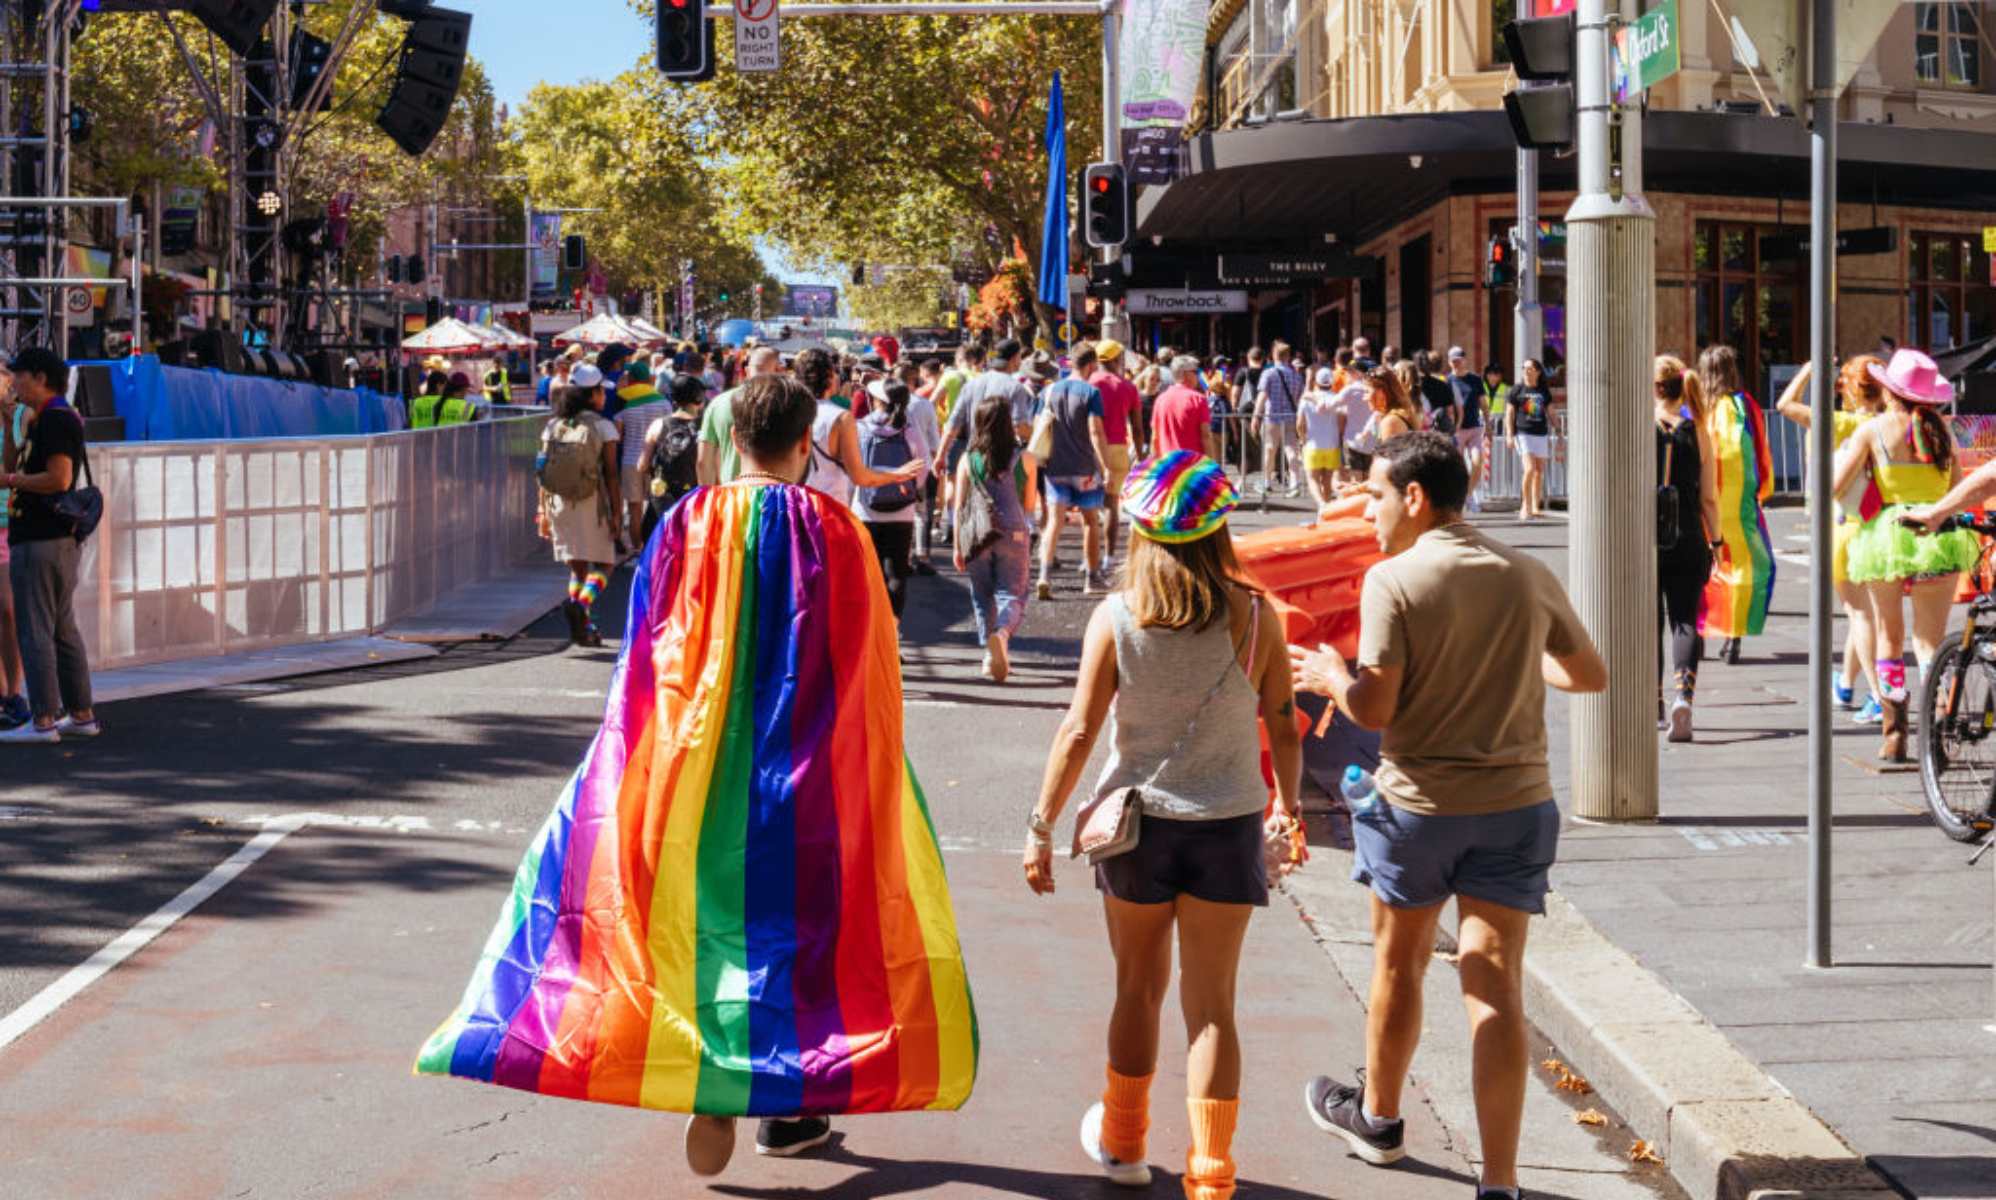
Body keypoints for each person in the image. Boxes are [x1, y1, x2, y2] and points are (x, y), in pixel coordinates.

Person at [418, 369, 977, 1176]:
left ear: (733, 438)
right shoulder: (835, 526)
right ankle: (788, 1105)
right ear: (802, 443)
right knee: (802, 924)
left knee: (699, 914)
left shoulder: (688, 518)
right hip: (806, 759)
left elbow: (648, 645)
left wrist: (637, 745)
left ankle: (712, 1079)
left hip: (695, 754)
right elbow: (869, 656)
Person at [1288, 431, 1606, 1200]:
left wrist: (1332, 676)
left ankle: (1381, 1121)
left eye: (1375, 494)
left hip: (1419, 808)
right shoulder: (1524, 572)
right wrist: (1508, 657)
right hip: (1517, 806)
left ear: (1416, 498)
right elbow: (1588, 674)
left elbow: (1376, 705)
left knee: (1398, 964)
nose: (1367, 510)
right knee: (1495, 985)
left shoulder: (1393, 579)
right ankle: (1499, 1181)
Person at [1024, 451, 1302, 1199]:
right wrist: (1290, 806)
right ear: (1219, 531)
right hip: (1228, 822)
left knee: (1136, 989)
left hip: (1136, 829)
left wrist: (1041, 824)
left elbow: (1080, 730)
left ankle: (1123, 1143)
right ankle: (1212, 1178)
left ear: (1141, 532)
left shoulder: (1117, 618)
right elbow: (1283, 721)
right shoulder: (1255, 616)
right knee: (1213, 1008)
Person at [1833, 348, 1979, 761]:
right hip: (1938, 535)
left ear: (1891, 391)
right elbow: (1955, 490)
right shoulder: (1943, 433)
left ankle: (1894, 732)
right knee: (1930, 641)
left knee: (1890, 636)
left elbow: (1836, 486)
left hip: (1888, 535)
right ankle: (1937, 730)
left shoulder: (1873, 430)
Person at [1776, 356, 1887, 723]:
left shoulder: (1841, 423)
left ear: (1851, 389)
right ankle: (1846, 684)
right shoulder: (1888, 424)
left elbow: (1784, 405)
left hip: (1844, 525)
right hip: (1880, 525)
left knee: (1860, 615)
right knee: (1864, 613)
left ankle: (1878, 695)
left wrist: (1808, 369)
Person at [0, 347, 99, 744]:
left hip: (40, 537)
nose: (14, 383)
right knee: (61, 628)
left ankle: (42, 719)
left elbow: (59, 479)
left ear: (39, 377)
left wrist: (11, 483)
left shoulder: (56, 419)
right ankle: (80, 713)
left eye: (18, 376)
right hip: (54, 539)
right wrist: (9, 424)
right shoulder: (48, 418)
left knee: (35, 629)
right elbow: (14, 461)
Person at [1653, 356, 1720, 743]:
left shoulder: (1638, 426)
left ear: (1655, 387)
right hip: (1689, 535)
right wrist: (1717, 540)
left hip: (1646, 538)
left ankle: (1655, 704)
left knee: (1649, 626)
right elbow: (1709, 497)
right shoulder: (1700, 431)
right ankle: (1684, 697)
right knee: (1684, 620)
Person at [1695, 345, 1774, 665]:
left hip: (1701, 500)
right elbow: (1761, 449)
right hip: (1740, 503)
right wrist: (1763, 488)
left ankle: (1697, 632)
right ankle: (1733, 634)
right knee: (1743, 564)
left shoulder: (1695, 404)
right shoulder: (1745, 406)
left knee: (1703, 567)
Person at [953, 395, 1039, 683]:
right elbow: (1029, 505)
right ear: (1007, 423)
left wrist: (956, 545)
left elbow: (959, 505)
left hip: (977, 534)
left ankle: (990, 655)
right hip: (1014, 532)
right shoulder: (1025, 458)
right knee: (1013, 593)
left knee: (982, 594)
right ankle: (1002, 634)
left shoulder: (968, 459)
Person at [535, 363, 622, 647]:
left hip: (558, 502)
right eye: (601, 391)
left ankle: (585, 627)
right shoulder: (603, 426)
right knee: (606, 564)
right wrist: (617, 514)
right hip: (591, 502)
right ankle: (582, 605)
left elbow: (541, 470)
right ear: (593, 393)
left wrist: (542, 512)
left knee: (577, 568)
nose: (605, 397)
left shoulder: (552, 425)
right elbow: (611, 473)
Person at [797, 347, 923, 508]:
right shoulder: (840, 417)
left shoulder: (790, 412)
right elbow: (859, 476)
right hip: (829, 507)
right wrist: (896, 475)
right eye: (835, 372)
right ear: (828, 376)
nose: (838, 376)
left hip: (796, 505)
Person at [853, 377, 933, 624]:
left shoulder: (860, 427)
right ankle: (892, 632)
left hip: (865, 509)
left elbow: (850, 469)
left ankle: (871, 630)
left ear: (877, 401)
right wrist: (907, 488)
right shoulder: (908, 429)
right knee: (896, 572)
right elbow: (924, 465)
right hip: (902, 512)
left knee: (867, 573)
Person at [1036, 343, 1112, 598]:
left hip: (1055, 466)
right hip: (1084, 468)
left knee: (1055, 522)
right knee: (1090, 522)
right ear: (1091, 365)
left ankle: (1044, 575)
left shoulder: (1049, 392)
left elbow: (1038, 425)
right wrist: (1105, 465)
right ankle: (1091, 578)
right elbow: (1095, 431)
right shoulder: (1091, 393)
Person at [634, 371, 706, 546]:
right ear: (698, 399)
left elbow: (641, 465)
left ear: (673, 399)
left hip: (661, 503)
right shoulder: (704, 427)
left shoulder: (658, 425)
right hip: (694, 505)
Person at [1089, 339, 1144, 559]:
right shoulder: (1127, 387)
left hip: (1090, 448)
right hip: (1118, 447)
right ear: (1114, 360)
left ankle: (1089, 558)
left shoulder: (1088, 383)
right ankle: (1108, 557)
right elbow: (1138, 428)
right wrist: (1140, 456)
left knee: (1088, 506)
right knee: (1112, 503)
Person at [697, 344, 779, 486]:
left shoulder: (718, 403)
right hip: (775, 497)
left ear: (747, 371)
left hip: (730, 497)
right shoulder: (787, 405)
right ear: (778, 371)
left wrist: (708, 498)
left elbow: (703, 462)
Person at [0, 372, 30, 727]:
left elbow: (24, 459)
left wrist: (10, 417)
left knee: (8, 609)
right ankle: (5, 693)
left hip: (13, 519)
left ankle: (14, 691)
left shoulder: (22, 415)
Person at [613, 359, 669, 539]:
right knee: (657, 506)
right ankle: (653, 548)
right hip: (655, 462)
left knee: (634, 509)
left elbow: (617, 436)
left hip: (630, 461)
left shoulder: (623, 401)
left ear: (632, 378)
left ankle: (636, 549)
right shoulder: (664, 403)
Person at [1505, 359, 1554, 521]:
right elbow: (1509, 414)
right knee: (1529, 469)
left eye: (1530, 368)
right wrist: (1509, 435)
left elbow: (1551, 412)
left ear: (1538, 372)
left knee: (1539, 471)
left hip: (1540, 433)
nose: (1526, 371)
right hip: (1523, 433)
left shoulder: (1543, 391)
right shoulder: (1516, 390)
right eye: (1524, 368)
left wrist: (1559, 432)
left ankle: (1535, 505)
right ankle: (1524, 505)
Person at [1257, 342, 1305, 498]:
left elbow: (1262, 396)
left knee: (1270, 448)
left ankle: (1266, 482)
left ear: (1273, 355)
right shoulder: (1296, 376)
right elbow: (1299, 399)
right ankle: (1294, 483)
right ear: (1288, 356)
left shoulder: (1268, 373)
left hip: (1272, 417)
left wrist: (1256, 415)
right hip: (1291, 416)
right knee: (1291, 449)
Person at [1446, 349, 1488, 512]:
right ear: (1449, 362)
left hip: (1475, 427)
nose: (1456, 363)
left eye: (1458, 360)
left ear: (1465, 360)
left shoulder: (1475, 380)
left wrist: (1489, 426)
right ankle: (1460, 498)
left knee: (1478, 462)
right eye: (1453, 360)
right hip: (1456, 431)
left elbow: (1483, 404)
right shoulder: (1448, 381)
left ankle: (1468, 495)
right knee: (1459, 468)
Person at [1152, 356, 1218, 460]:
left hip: (1167, 464)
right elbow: (1205, 435)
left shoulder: (1160, 399)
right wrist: (1212, 465)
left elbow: (1155, 437)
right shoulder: (1198, 399)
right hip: (1192, 465)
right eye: (1196, 372)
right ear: (1186, 374)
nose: (1199, 375)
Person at [1298, 366, 1346, 507]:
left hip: (1313, 444)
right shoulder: (1337, 399)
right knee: (1327, 480)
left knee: (1312, 479)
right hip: (1332, 443)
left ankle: (1321, 504)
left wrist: (1302, 439)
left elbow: (1300, 423)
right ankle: (1325, 507)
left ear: (1316, 382)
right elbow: (1341, 422)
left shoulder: (1307, 399)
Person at [1417, 351, 1458, 438]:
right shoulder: (1443, 384)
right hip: (1439, 434)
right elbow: (1450, 412)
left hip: (1418, 434)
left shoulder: (1411, 386)